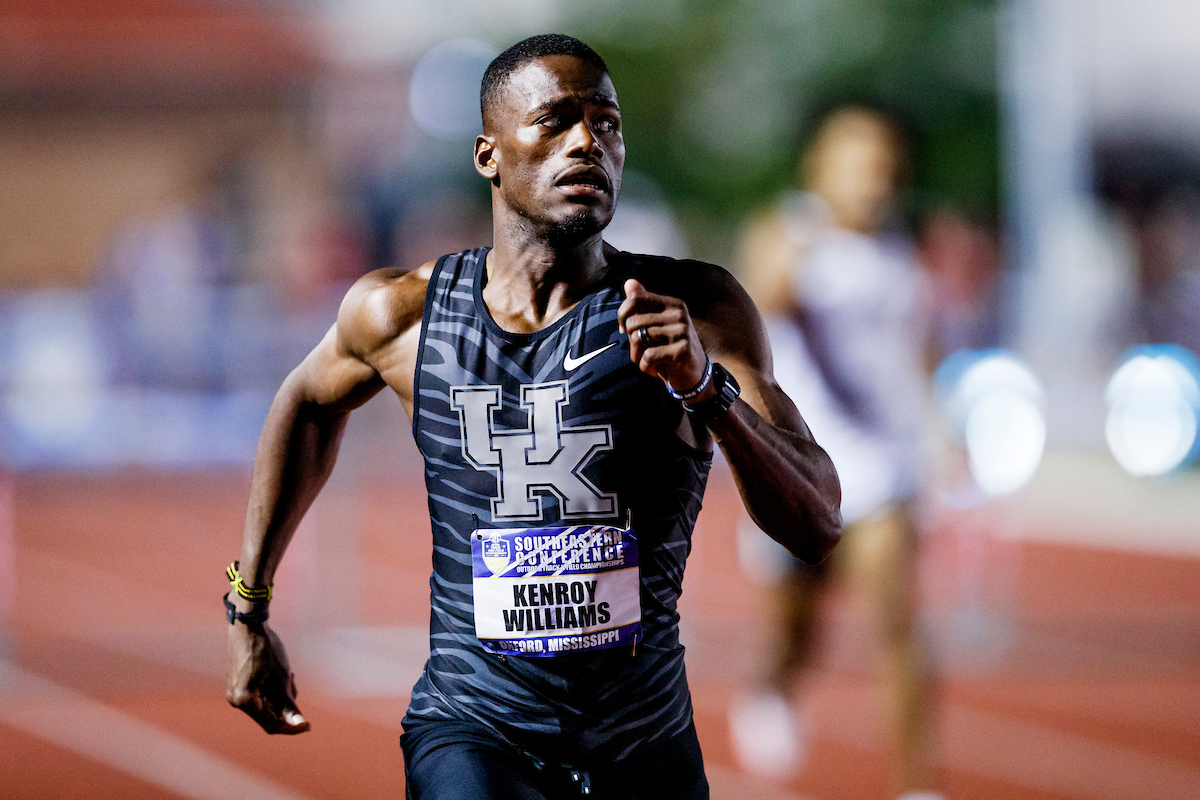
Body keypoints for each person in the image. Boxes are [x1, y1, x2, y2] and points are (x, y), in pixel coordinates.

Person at [223, 34, 842, 800]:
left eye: (607, 123)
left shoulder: (697, 310)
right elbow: (305, 404)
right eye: (554, 120)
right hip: (473, 732)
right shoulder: (403, 316)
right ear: (489, 155)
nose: (588, 141)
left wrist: (705, 388)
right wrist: (248, 610)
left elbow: (818, 521)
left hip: (641, 738)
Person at [730, 107, 940, 800]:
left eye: (882, 165)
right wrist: (790, 273)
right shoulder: (785, 233)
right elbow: (751, 308)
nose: (872, 180)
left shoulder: (901, 254)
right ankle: (774, 683)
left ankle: (917, 788)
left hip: (881, 468)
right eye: (856, 163)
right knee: (797, 629)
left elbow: (916, 353)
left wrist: (942, 428)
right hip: (795, 468)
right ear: (819, 166)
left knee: (897, 624)